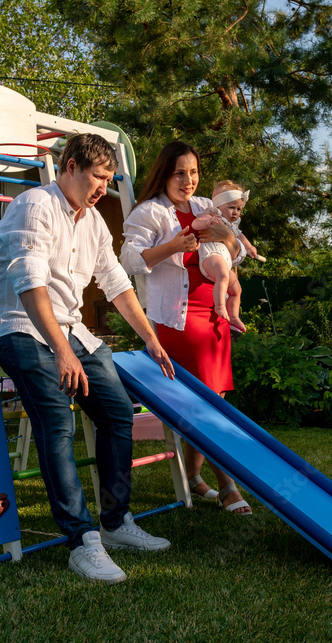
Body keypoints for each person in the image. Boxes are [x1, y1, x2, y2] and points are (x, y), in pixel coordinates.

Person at [0, 133, 176, 584]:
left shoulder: (93, 222)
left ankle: (115, 522)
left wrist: (150, 338)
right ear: (70, 166)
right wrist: (61, 351)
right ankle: (81, 541)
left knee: (118, 412)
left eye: (109, 180)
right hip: (19, 327)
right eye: (98, 177)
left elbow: (116, 282)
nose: (102, 189)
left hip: (71, 331)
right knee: (59, 423)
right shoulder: (35, 205)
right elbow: (29, 284)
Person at [120, 141, 252, 515]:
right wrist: (173, 245)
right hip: (179, 318)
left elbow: (237, 253)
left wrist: (229, 240)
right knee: (206, 405)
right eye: (180, 173)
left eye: (193, 172)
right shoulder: (149, 212)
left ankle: (194, 477)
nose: (188, 180)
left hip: (215, 314)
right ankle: (227, 485)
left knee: (212, 401)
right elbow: (129, 260)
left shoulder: (206, 207)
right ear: (165, 174)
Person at [210, 180, 257, 333]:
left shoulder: (233, 225)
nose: (236, 212)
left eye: (239, 209)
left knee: (236, 289)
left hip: (224, 263)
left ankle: (234, 316)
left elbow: (239, 235)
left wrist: (249, 247)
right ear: (218, 206)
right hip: (213, 259)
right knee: (223, 276)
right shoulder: (215, 218)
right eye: (231, 207)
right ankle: (220, 307)